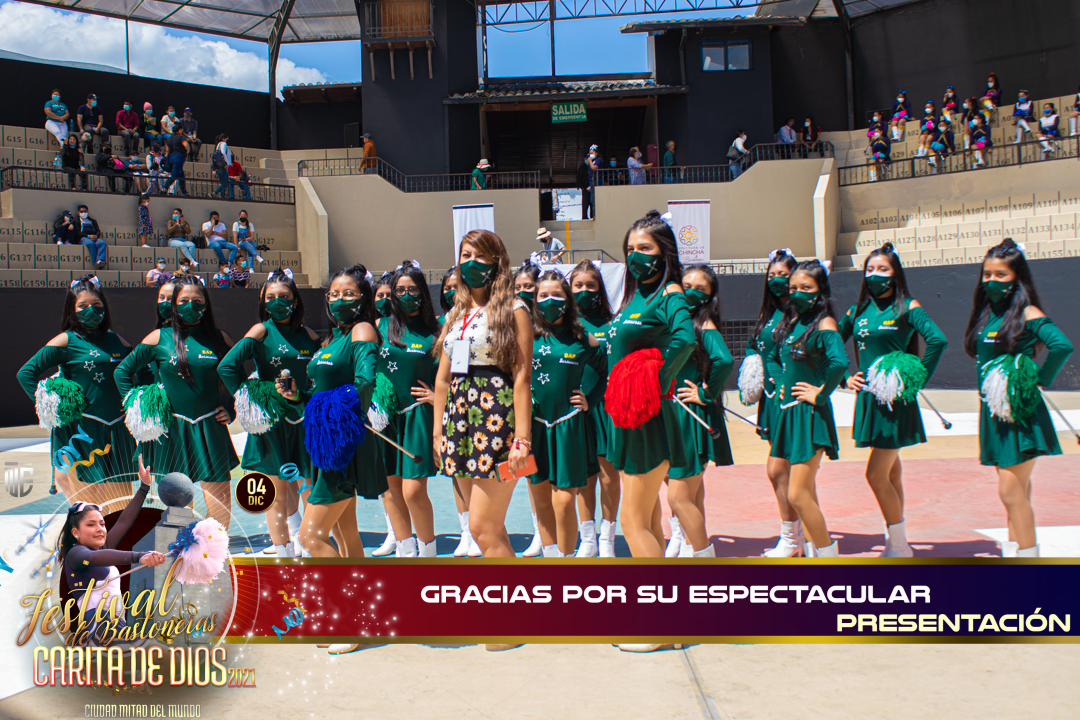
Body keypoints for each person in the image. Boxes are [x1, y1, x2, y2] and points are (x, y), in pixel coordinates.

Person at [963, 238, 1073, 558]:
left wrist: (1037, 379)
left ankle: (1029, 564)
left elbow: (1061, 345)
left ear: (1017, 278)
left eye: (1001, 275)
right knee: (1017, 493)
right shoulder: (986, 313)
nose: (992, 281)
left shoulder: (1027, 311)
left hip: (1019, 414)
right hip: (994, 413)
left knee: (1010, 493)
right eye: (987, 274)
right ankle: (1017, 556)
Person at [837, 243, 947, 557]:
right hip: (869, 400)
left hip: (894, 401)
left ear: (895, 273)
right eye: (870, 269)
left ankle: (899, 545)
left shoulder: (907, 306)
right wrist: (845, 377)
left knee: (875, 474)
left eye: (882, 269)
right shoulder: (856, 311)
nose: (875, 274)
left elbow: (937, 339)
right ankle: (897, 540)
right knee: (891, 473)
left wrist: (915, 377)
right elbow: (830, 343)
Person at [433, 230, 533, 558]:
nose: (472, 262)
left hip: (496, 420)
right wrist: (438, 432)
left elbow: (522, 377)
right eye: (466, 256)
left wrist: (522, 439)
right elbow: (443, 380)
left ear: (496, 261)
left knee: (482, 527)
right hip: (459, 423)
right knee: (490, 529)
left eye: (480, 256)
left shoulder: (514, 308)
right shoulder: (456, 313)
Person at [115, 276, 238, 532]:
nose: (190, 305)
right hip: (172, 430)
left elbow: (238, 378)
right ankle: (183, 552)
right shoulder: (158, 337)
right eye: (183, 301)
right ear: (174, 304)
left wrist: (231, 408)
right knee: (179, 505)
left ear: (206, 304)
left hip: (209, 429)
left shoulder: (220, 338)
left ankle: (214, 551)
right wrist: (140, 408)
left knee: (220, 500)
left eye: (197, 300)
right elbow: (123, 371)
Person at [606, 211, 695, 561]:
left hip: (645, 419)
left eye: (645, 248)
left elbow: (685, 339)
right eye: (630, 249)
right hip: (627, 418)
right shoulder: (635, 296)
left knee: (631, 522)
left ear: (664, 251)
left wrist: (655, 382)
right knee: (648, 518)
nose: (635, 255)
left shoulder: (669, 291)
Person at [219, 268, 319, 558]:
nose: (277, 301)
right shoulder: (261, 330)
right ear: (263, 301)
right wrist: (252, 398)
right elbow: (227, 366)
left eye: (284, 296)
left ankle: (310, 543)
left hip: (304, 419)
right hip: (273, 423)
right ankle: (283, 548)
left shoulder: (309, 335)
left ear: (295, 301)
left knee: (310, 487)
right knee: (276, 490)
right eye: (271, 297)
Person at [17, 275, 140, 506]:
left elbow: (142, 371)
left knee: (121, 503)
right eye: (82, 306)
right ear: (72, 310)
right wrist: (53, 406)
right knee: (87, 506)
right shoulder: (67, 340)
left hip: (116, 429)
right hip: (81, 429)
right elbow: (26, 373)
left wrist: (135, 401)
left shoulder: (117, 340)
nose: (90, 310)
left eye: (96, 304)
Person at [769, 259, 848, 557]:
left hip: (809, 415)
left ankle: (828, 556)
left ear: (820, 290)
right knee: (798, 487)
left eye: (806, 288)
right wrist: (780, 383)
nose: (798, 293)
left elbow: (839, 363)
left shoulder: (824, 323)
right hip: (789, 412)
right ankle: (813, 550)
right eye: (793, 288)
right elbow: (778, 359)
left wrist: (821, 394)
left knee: (798, 494)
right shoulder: (792, 323)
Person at [527, 270, 607, 557]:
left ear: (568, 299)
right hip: (532, 429)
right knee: (541, 502)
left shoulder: (582, 336)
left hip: (569, 429)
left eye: (557, 295)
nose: (550, 300)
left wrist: (590, 401)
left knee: (562, 503)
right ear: (535, 300)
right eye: (543, 295)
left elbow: (604, 373)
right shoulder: (524, 335)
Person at [662, 264, 733, 558]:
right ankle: (685, 540)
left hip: (690, 416)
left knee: (679, 495)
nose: (691, 292)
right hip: (668, 413)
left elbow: (724, 360)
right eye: (687, 285)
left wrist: (705, 394)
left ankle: (700, 553)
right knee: (689, 491)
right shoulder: (673, 320)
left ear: (709, 296)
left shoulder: (703, 324)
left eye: (700, 289)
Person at [55, 462, 167, 645]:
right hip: (98, 625)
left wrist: (144, 488)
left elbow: (124, 521)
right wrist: (139, 556)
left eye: (102, 524)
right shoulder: (76, 554)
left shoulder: (101, 548)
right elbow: (95, 558)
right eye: (91, 525)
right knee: (151, 650)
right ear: (75, 532)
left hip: (115, 624)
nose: (100, 529)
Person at [375, 261, 442, 558]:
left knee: (413, 491)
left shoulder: (437, 331)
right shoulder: (379, 326)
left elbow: (453, 376)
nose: (405, 295)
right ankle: (405, 551)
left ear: (423, 292)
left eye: (412, 289)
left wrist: (439, 396)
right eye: (399, 290)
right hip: (384, 416)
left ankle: (428, 555)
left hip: (417, 416)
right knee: (390, 489)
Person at [739, 249, 802, 556]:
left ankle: (794, 539)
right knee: (786, 473)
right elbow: (755, 345)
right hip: (771, 401)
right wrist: (753, 368)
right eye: (772, 274)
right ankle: (799, 536)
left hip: (789, 400)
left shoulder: (800, 313)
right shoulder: (768, 313)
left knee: (782, 470)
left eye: (783, 275)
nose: (776, 280)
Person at [567, 260, 618, 557]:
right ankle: (588, 539)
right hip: (577, 411)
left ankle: (608, 538)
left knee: (609, 477)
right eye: (578, 285)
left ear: (600, 288)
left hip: (608, 409)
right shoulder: (566, 326)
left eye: (590, 285)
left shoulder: (614, 324)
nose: (584, 290)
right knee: (585, 478)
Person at [75, 205, 107, 270]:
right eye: (82, 211)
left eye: (85, 211)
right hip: (84, 238)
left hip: (94, 237)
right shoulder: (77, 221)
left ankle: (101, 260)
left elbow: (98, 231)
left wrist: (96, 236)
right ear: (78, 212)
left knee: (102, 243)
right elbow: (78, 233)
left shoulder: (92, 221)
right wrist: (88, 236)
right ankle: (95, 261)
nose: (84, 213)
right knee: (91, 244)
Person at [162, 127, 190, 196]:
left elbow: (167, 151)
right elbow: (186, 145)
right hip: (179, 157)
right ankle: (164, 188)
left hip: (171, 157)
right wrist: (188, 150)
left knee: (181, 175)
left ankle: (184, 192)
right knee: (175, 175)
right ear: (180, 130)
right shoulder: (181, 137)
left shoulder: (169, 138)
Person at [212, 134, 233, 199]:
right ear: (223, 138)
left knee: (223, 183)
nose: (227, 140)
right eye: (226, 138)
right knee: (226, 183)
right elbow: (223, 153)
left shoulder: (218, 145)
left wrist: (214, 170)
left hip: (218, 166)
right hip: (222, 166)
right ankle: (214, 193)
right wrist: (227, 163)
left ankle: (222, 197)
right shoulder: (223, 144)